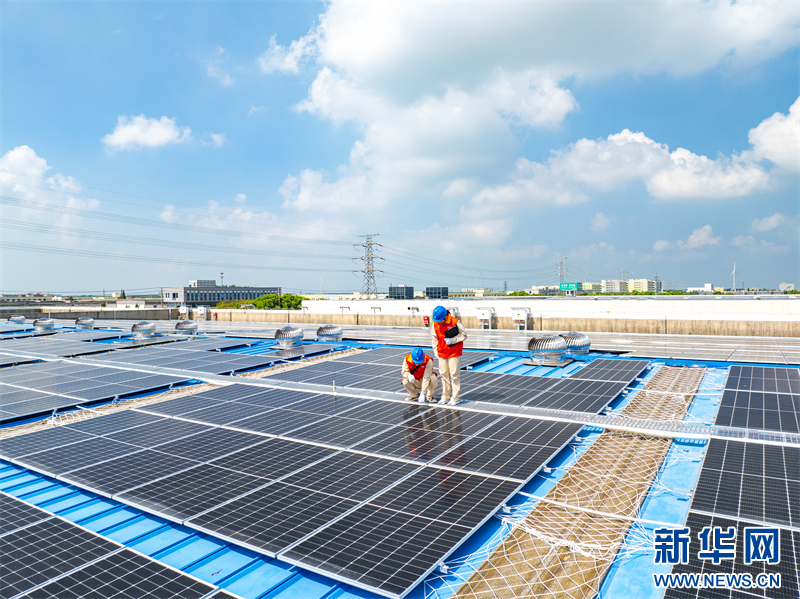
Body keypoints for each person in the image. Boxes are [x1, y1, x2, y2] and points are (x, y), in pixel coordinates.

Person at [430, 305, 467, 405]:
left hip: (454, 353)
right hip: (442, 353)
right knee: (443, 375)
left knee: (454, 375)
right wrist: (435, 350)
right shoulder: (435, 323)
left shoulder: (455, 322)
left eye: (440, 320)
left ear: (445, 316)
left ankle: (455, 398)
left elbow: (464, 335)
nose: (438, 322)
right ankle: (445, 397)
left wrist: (453, 340)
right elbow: (434, 337)